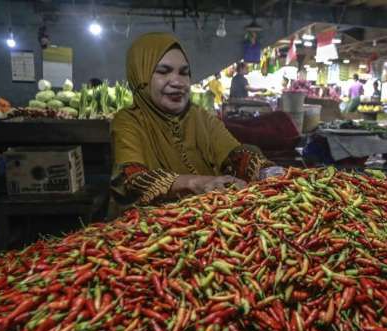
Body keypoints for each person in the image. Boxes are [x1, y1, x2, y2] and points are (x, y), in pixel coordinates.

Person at [109, 33, 280, 217]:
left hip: (204, 222)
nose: (178, 82)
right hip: (149, 229)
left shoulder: (200, 117)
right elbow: (132, 178)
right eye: (163, 71)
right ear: (140, 75)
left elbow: (236, 155)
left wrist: (268, 171)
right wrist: (194, 183)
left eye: (184, 73)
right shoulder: (128, 121)